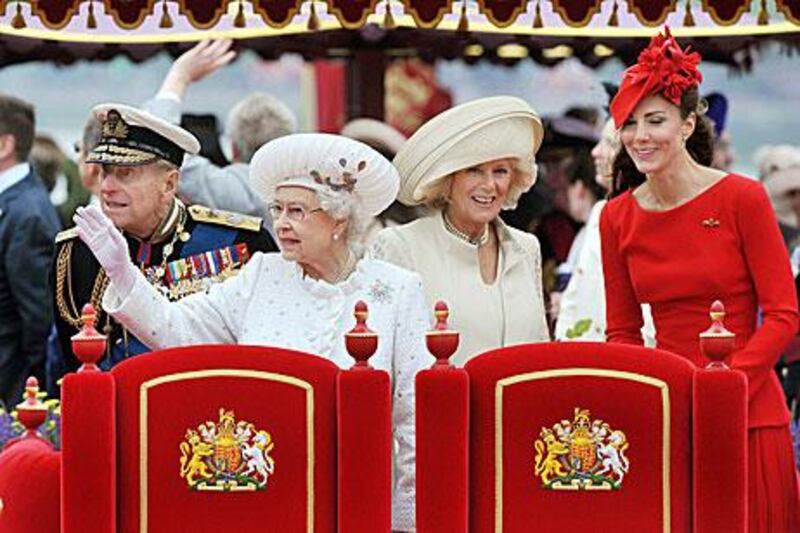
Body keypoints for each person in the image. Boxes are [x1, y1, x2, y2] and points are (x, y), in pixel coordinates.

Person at [73, 132, 432, 532]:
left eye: (297, 211)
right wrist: (124, 275)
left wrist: (407, 521)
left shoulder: (397, 290)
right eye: (277, 209)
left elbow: (414, 420)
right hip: (265, 496)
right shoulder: (262, 274)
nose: (281, 223)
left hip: (355, 503)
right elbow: (178, 330)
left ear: (339, 220)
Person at [601, 28, 799, 532]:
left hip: (749, 411)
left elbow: (783, 314)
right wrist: (649, 395)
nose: (639, 136)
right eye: (629, 123)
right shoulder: (616, 217)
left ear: (688, 124)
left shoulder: (743, 198)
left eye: (655, 121)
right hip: (669, 415)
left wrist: (728, 381)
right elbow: (621, 333)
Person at [52, 103, 276, 384]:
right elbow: (68, 366)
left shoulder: (237, 241)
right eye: (105, 171)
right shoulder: (76, 251)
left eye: (125, 174)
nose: (107, 187)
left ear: (169, 184)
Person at [372, 96, 550, 365]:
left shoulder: (527, 248)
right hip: (439, 405)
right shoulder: (400, 245)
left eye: (500, 171)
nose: (490, 185)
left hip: (518, 405)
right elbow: (381, 355)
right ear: (447, 180)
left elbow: (540, 349)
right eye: (474, 171)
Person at [145, 39, 297, 220]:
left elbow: (164, 151)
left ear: (232, 148)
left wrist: (179, 76)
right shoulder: (310, 188)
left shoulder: (243, 190)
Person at [0, 94, 61, 406]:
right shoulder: (13, 203)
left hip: (12, 388)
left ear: (5, 146)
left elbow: (39, 318)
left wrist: (31, 396)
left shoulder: (27, 213)